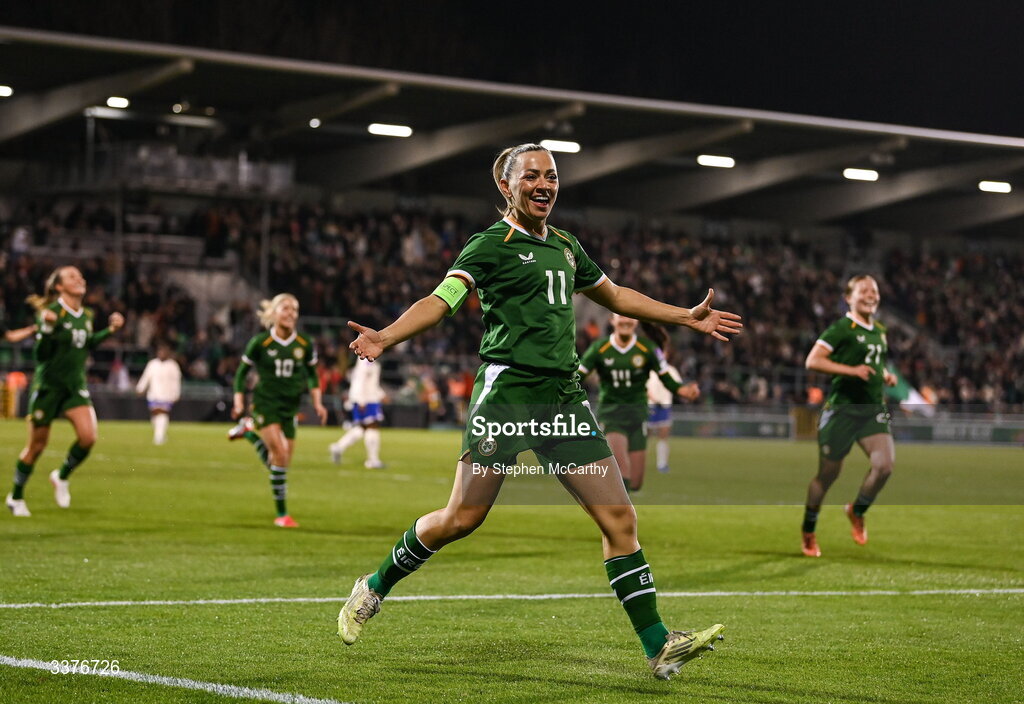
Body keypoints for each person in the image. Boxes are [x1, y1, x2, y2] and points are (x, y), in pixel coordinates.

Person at [337, 143, 742, 680]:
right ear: (507, 187)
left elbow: (617, 296)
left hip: (563, 400)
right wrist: (386, 336)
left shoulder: (568, 246)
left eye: (551, 175)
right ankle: (374, 587)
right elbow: (441, 300)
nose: (545, 184)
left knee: (620, 518)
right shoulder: (487, 246)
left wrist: (685, 317)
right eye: (532, 176)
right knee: (462, 518)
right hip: (507, 396)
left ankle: (658, 645)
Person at [5, 266, 124, 517]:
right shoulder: (51, 313)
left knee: (88, 437)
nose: (79, 278)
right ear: (58, 286)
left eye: (80, 275)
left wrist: (110, 331)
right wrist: (47, 330)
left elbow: (86, 343)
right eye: (71, 276)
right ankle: (15, 496)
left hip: (74, 387)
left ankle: (61, 476)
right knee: (37, 446)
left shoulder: (87, 314)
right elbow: (41, 356)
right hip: (48, 387)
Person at [800, 275, 897, 557]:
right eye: (864, 290)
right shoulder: (842, 328)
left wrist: (886, 375)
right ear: (849, 297)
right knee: (827, 476)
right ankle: (809, 530)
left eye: (875, 290)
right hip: (841, 411)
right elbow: (812, 361)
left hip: (871, 411)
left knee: (885, 466)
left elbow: (874, 364)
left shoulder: (879, 330)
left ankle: (857, 510)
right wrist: (852, 371)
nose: (871, 294)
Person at [228, 293, 327, 528]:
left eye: (295, 309)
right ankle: (282, 515)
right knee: (280, 456)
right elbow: (241, 374)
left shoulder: (304, 343)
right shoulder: (260, 342)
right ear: (273, 313)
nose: (291, 312)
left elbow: (312, 376)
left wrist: (318, 402)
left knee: (280, 462)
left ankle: (249, 433)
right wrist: (239, 402)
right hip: (266, 403)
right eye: (285, 308)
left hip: (290, 406)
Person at [579, 315, 699, 492]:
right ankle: (613, 513)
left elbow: (667, 379)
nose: (626, 321)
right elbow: (577, 375)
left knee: (635, 483)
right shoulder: (600, 348)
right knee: (623, 475)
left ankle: (601, 482)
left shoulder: (648, 349)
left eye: (630, 318)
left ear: (636, 322)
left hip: (638, 416)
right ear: (612, 320)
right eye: (621, 317)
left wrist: (685, 391)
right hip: (612, 415)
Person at [329, 356, 386, 469]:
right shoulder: (367, 359)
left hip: (367, 396)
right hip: (367, 398)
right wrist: (361, 400)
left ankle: (339, 447)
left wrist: (381, 394)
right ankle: (373, 460)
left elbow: (369, 380)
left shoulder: (368, 358)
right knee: (372, 426)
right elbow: (361, 378)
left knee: (362, 428)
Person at [135, 343, 182, 445]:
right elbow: (146, 377)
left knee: (162, 414)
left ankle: (158, 437)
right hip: (153, 394)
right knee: (155, 415)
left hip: (167, 395)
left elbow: (176, 381)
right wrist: (140, 388)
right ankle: (160, 434)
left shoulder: (173, 365)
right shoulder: (152, 364)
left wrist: (176, 394)